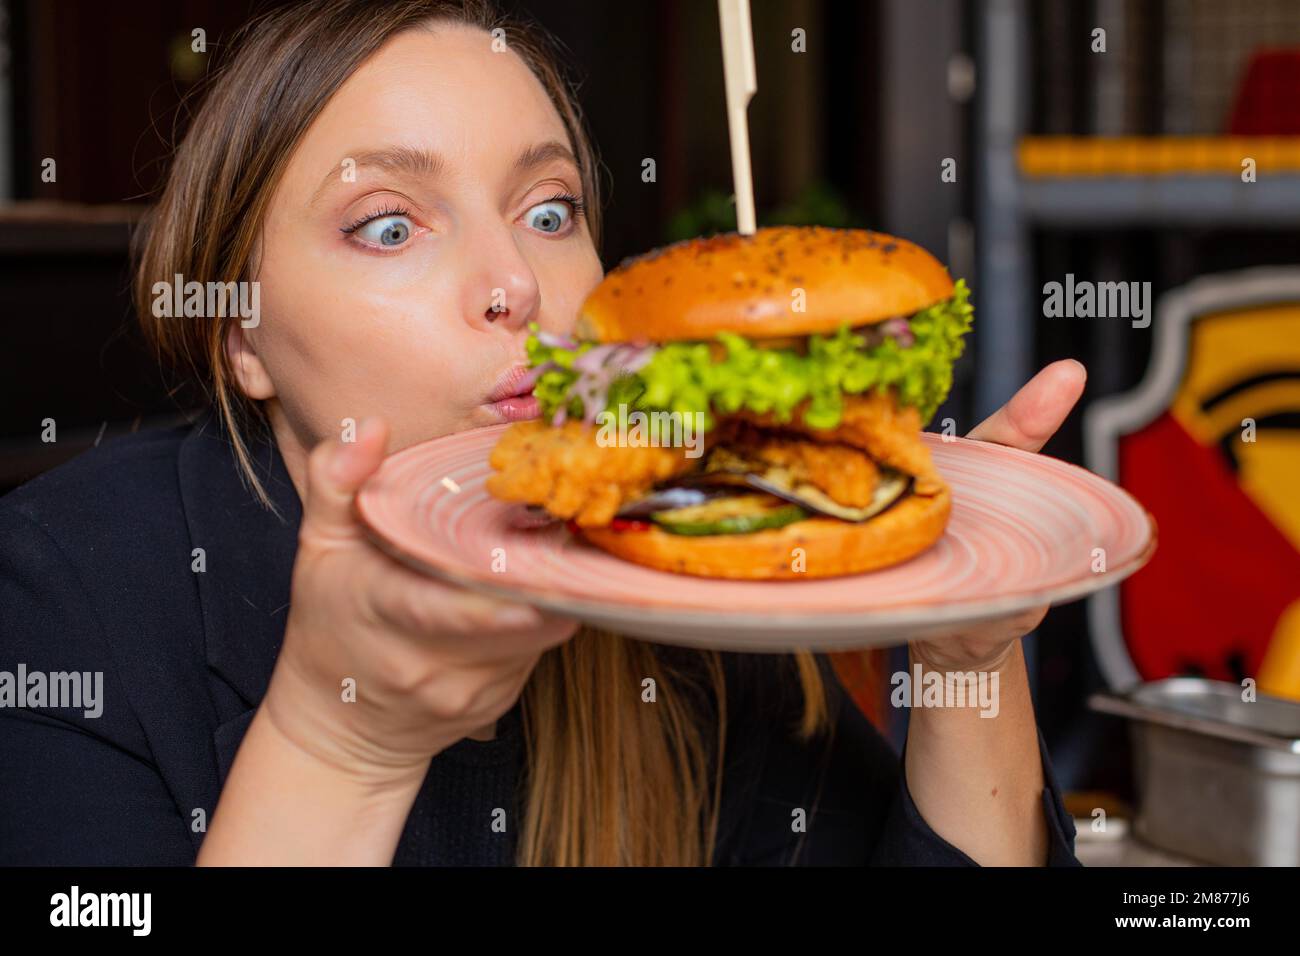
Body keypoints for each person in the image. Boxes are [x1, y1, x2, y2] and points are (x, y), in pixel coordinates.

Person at [0, 0, 1083, 866]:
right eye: (389, 224)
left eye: (549, 210)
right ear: (241, 335)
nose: (516, 283)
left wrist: (968, 655)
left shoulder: (680, 590)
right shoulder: (59, 592)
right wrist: (342, 746)